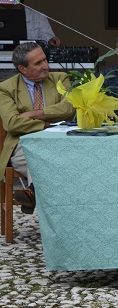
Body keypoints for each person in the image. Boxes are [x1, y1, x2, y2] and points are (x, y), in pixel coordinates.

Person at [0, 42, 75, 214]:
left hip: (58, 143)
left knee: (48, 160)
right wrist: (46, 124)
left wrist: (35, 114)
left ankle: (31, 191)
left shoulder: (60, 78)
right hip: (22, 145)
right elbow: (12, 123)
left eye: (45, 60)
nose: (45, 66)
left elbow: (70, 108)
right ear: (22, 68)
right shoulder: (6, 89)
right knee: (46, 159)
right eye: (38, 63)